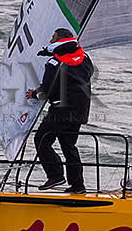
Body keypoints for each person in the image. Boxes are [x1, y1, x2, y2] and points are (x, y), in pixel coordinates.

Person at [25, 27, 95, 192]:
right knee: (68, 145)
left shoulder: (54, 63)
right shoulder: (84, 57)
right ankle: (78, 185)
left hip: (61, 111)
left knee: (42, 139)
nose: (50, 41)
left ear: (58, 40)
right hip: (81, 110)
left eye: (52, 37)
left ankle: (56, 176)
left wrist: (33, 94)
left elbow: (46, 91)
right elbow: (89, 73)